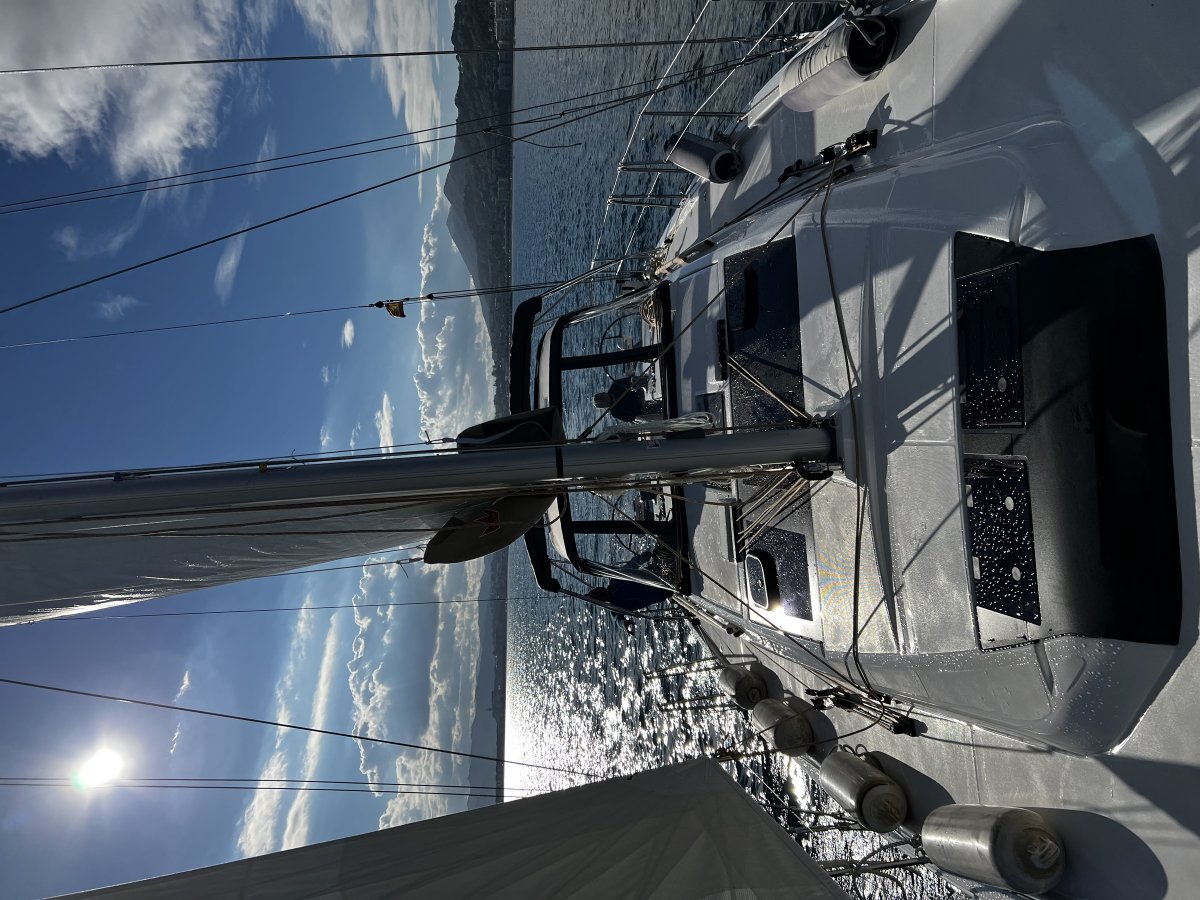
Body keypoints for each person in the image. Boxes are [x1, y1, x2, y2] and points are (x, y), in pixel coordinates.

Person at [593, 374, 662, 423]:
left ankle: (651, 382)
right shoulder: (615, 412)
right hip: (642, 409)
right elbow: (633, 418)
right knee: (647, 412)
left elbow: (631, 380)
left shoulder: (615, 386)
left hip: (641, 393)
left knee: (634, 380)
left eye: (603, 397)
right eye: (604, 400)